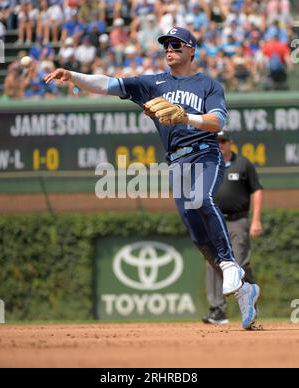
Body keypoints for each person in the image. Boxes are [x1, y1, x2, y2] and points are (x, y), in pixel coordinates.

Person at [45, 26, 261, 330]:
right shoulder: (152, 83)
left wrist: (186, 117)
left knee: (202, 198)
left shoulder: (207, 85)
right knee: (199, 238)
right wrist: (75, 76)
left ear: (191, 51)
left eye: (176, 44)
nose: (169, 49)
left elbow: (218, 122)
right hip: (176, 163)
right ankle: (244, 292)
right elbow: (109, 84)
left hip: (204, 153)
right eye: (166, 45)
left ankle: (229, 265)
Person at [202, 131, 263, 325]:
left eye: (223, 141)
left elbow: (257, 190)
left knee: (241, 262)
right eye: (217, 141)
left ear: (230, 143)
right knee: (213, 263)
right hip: (216, 222)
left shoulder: (243, 164)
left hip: (238, 220)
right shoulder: (209, 164)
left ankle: (251, 305)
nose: (220, 144)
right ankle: (218, 311)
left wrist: (256, 220)